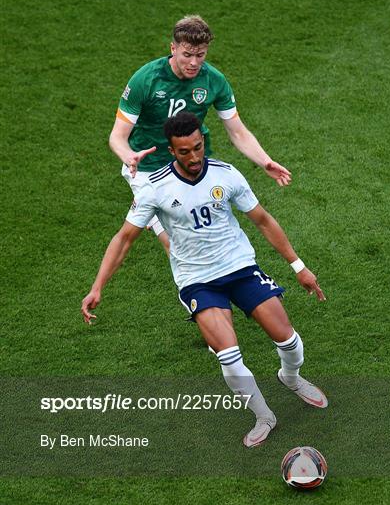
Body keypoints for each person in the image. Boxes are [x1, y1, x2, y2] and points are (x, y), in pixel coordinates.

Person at [82, 112, 327, 448]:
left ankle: (291, 377)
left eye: (198, 147)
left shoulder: (226, 175)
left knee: (287, 339)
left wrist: (298, 266)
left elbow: (263, 221)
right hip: (198, 281)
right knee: (229, 355)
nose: (194, 157)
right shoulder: (156, 188)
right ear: (172, 151)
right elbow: (124, 238)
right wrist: (97, 286)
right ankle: (263, 416)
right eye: (185, 152)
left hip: (240, 267)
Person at [109, 14, 292, 252]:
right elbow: (117, 136)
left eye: (200, 55)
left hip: (193, 164)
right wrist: (128, 156)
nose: (194, 62)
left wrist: (265, 161)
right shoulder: (146, 80)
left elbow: (237, 132)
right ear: (173, 48)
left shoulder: (213, 80)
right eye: (187, 54)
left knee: (209, 233)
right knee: (175, 243)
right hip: (148, 169)